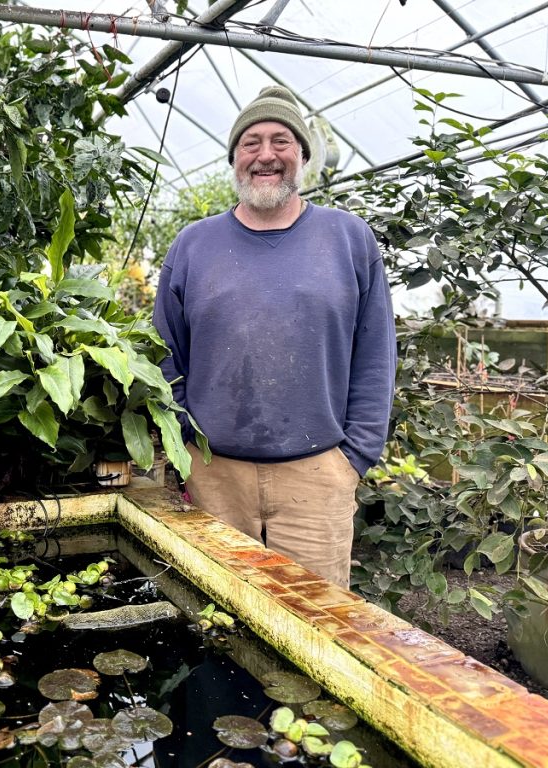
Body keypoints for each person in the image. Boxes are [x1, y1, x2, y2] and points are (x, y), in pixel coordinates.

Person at [152, 85, 396, 588]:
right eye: (252, 142)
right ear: (235, 158)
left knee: (316, 626)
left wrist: (353, 459)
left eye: (282, 141)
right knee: (217, 614)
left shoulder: (349, 239)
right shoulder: (194, 245)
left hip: (319, 475)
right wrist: (185, 449)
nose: (266, 155)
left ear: (303, 156)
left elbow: (375, 355)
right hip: (214, 475)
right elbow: (164, 354)